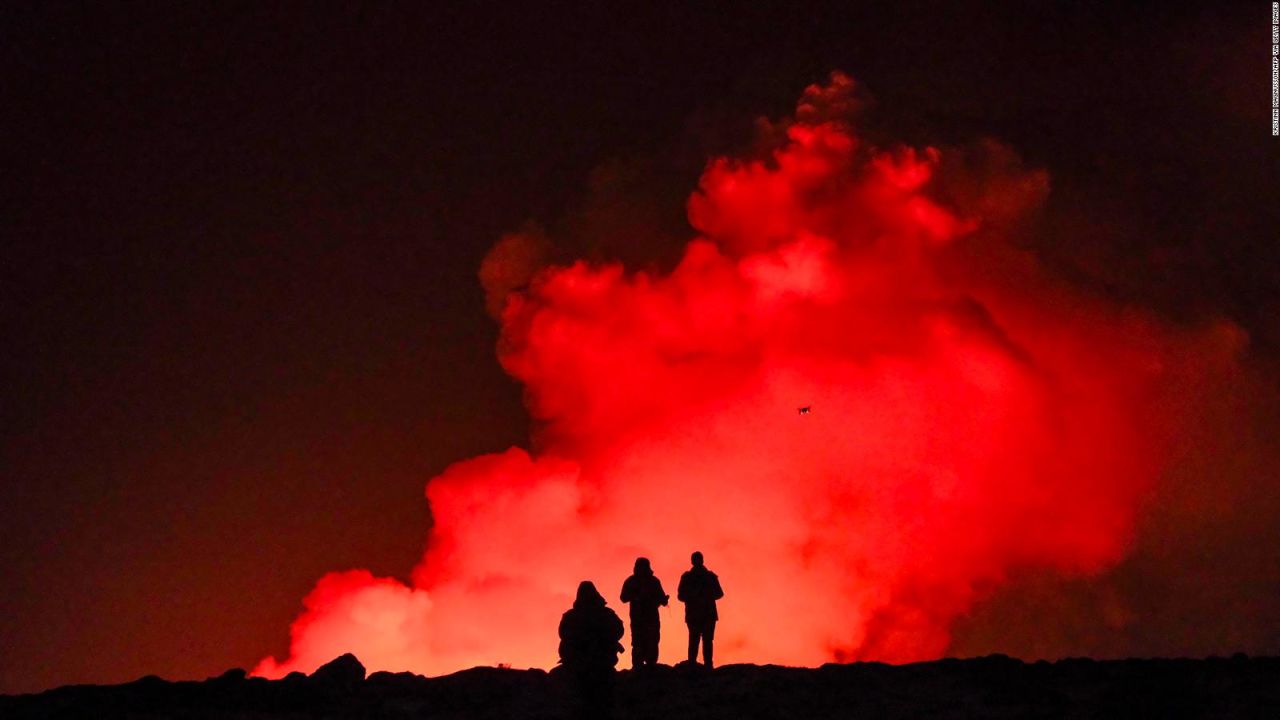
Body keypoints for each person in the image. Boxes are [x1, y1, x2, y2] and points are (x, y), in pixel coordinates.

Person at [558, 581, 624, 719]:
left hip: (586, 665)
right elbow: (619, 630)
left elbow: (563, 634)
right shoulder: (605, 614)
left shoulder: (571, 616)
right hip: (597, 665)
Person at [619, 557, 669, 668]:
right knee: (639, 644)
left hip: (649, 619)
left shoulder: (652, 581)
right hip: (639, 619)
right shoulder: (634, 581)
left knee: (651, 643)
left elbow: (662, 599)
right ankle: (640, 669)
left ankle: (647, 668)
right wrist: (637, 596)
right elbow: (623, 598)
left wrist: (663, 600)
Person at [677, 551, 724, 668]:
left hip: (703, 614)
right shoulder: (702, 576)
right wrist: (696, 595)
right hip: (699, 614)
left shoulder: (707, 576)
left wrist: (703, 595)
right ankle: (698, 664)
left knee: (700, 640)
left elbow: (719, 593)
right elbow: (681, 595)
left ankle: (702, 665)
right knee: (698, 640)